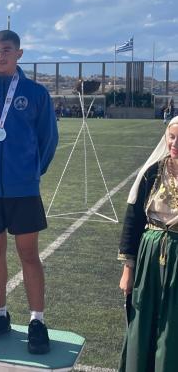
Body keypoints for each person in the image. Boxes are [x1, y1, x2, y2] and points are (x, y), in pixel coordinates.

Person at [0, 29, 58, 354]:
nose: (0, 55)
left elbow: (48, 138)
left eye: (6, 50)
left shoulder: (35, 93)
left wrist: (31, 172)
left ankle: (37, 321)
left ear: (19, 53)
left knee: (29, 254)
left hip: (23, 189)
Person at [118, 116, 178, 372]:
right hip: (149, 256)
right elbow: (133, 221)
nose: (175, 143)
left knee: (173, 323)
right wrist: (127, 270)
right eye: (172, 137)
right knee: (143, 317)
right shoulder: (152, 173)